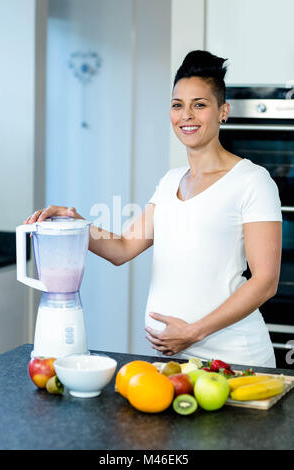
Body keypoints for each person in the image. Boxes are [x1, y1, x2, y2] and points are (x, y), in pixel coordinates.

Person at [24, 50, 282, 367]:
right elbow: (122, 248)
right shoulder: (170, 181)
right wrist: (75, 223)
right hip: (173, 361)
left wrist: (193, 331)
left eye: (199, 105)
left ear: (223, 112)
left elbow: (266, 281)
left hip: (235, 359)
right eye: (178, 105)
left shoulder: (252, 181)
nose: (186, 115)